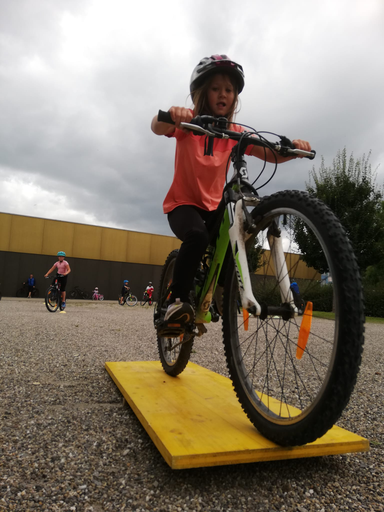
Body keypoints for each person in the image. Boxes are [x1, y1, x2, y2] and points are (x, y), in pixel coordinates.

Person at [151, 54, 311, 326]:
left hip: (213, 206)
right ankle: (174, 303)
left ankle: (222, 291)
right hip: (182, 204)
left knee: (235, 231)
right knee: (197, 236)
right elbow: (158, 126)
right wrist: (172, 115)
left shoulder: (236, 131)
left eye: (229, 90)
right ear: (201, 93)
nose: (223, 94)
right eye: (215, 89)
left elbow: (269, 154)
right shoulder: (189, 123)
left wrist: (292, 151)